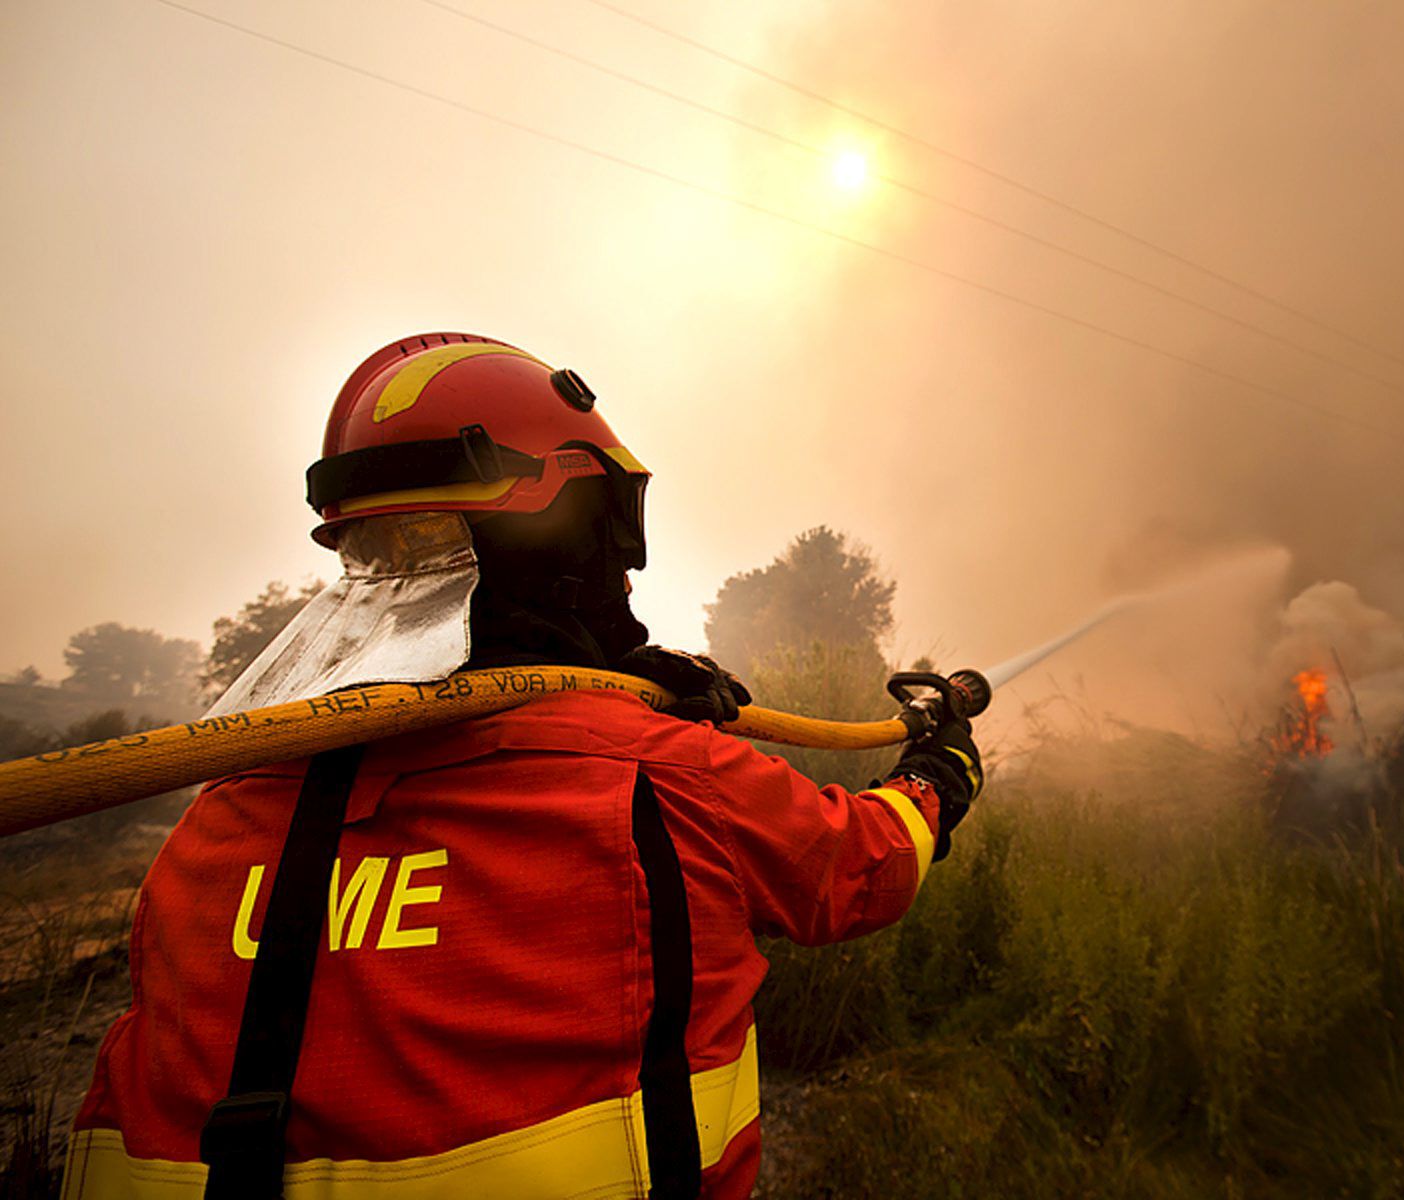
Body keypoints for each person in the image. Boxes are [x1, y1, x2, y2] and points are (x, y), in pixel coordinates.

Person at [62, 333, 982, 1199]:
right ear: (561, 539)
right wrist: (935, 775)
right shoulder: (657, 776)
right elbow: (858, 865)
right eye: (604, 539)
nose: (622, 579)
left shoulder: (213, 822)